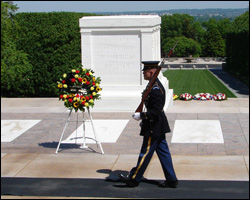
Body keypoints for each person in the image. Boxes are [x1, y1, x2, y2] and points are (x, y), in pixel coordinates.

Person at [118, 61, 178, 188]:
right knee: (163, 152)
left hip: (153, 126)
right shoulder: (153, 85)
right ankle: (171, 179)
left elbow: (155, 112)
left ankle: (134, 179)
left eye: (145, 71)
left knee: (145, 153)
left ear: (151, 72)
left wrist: (142, 116)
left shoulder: (155, 89)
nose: (143, 73)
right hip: (157, 124)